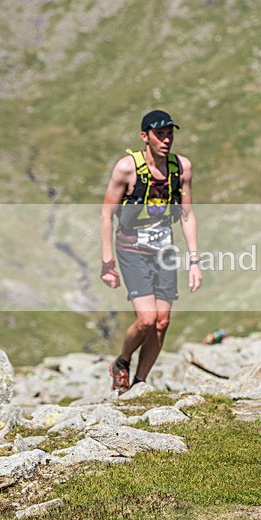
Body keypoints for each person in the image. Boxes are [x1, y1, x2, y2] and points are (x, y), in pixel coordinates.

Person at [100, 110, 202, 393]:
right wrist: (107, 261)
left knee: (162, 322)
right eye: (160, 134)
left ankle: (139, 385)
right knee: (146, 319)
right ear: (145, 137)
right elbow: (106, 214)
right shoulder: (126, 169)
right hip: (132, 248)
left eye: (170, 134)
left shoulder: (181, 168)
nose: (166, 140)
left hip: (164, 249)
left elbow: (187, 215)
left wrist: (195, 261)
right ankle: (121, 362)